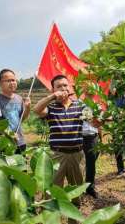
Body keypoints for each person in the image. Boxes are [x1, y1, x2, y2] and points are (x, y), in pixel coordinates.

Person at [33, 74, 85, 224]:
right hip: (57, 155)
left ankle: (73, 221)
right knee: (51, 192)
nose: (63, 88)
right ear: (53, 90)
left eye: (65, 85)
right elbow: (36, 110)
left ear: (70, 87)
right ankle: (51, 220)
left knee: (76, 191)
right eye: (59, 86)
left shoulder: (80, 106)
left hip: (77, 155)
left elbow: (93, 120)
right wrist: (52, 97)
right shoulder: (51, 108)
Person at [0, 69, 31, 153]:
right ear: (0, 83)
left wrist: (27, 108)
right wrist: (9, 134)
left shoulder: (19, 98)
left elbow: (22, 119)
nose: (12, 83)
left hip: (20, 141)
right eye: (8, 81)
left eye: (13, 80)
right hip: (4, 143)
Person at [83, 119, 101, 199]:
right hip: (78, 136)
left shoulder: (96, 106)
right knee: (77, 163)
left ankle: (90, 188)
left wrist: (101, 138)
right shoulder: (75, 106)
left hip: (93, 137)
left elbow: (100, 123)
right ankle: (76, 187)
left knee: (91, 164)